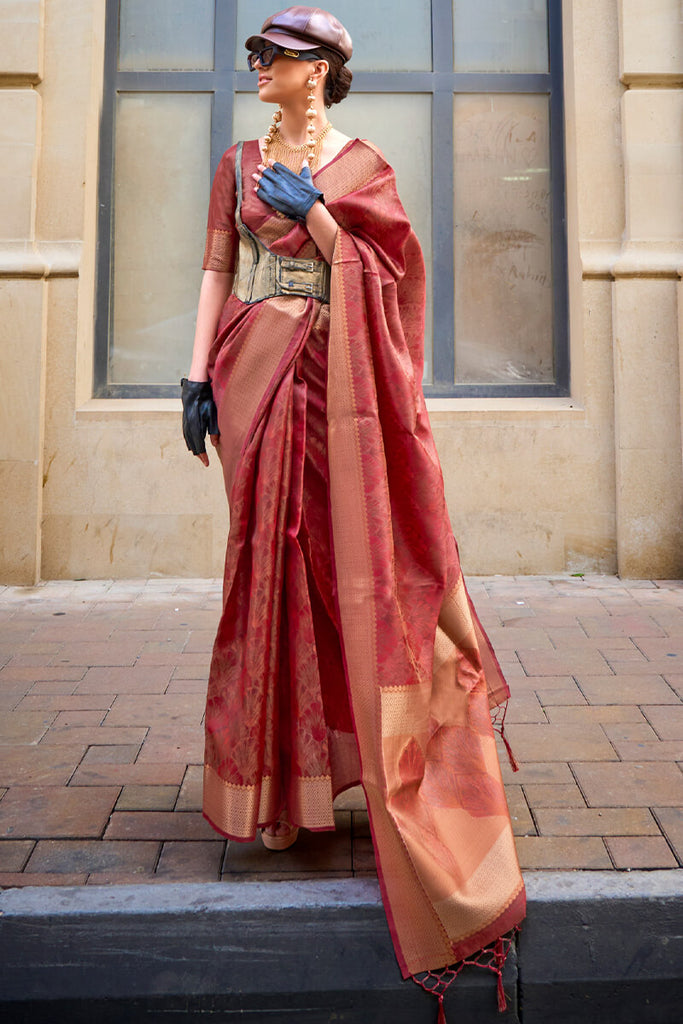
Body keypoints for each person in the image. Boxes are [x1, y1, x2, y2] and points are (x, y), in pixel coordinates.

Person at [181, 6, 526, 1017]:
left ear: (320, 71)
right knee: (265, 563)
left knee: (350, 568)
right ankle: (276, 793)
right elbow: (213, 265)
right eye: (255, 54)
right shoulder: (236, 159)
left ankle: (370, 768)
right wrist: (194, 374)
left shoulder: (363, 164)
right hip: (254, 371)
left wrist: (322, 218)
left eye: (273, 58)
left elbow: (391, 274)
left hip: (341, 384)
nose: (256, 68)